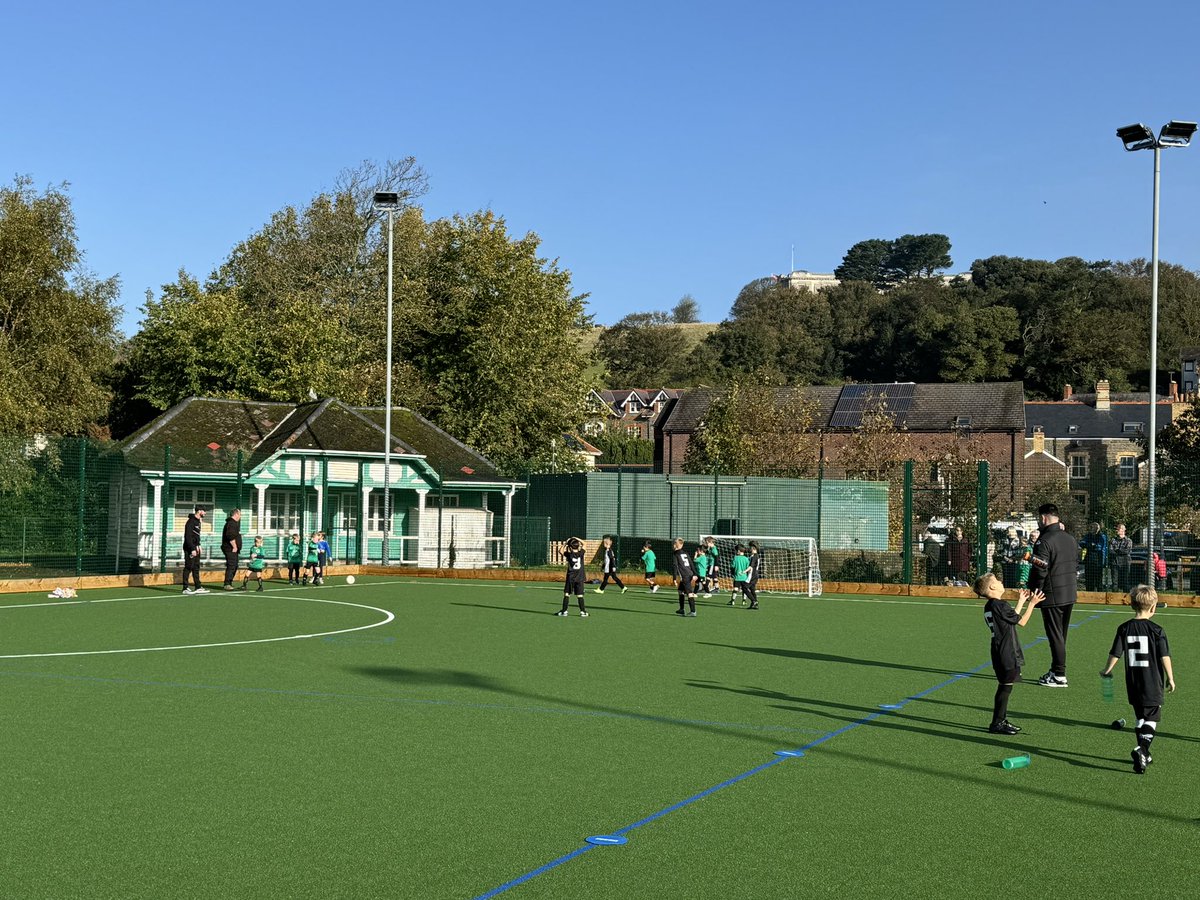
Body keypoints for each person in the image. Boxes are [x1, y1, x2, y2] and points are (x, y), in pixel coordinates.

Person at [1099, 584, 1176, 775]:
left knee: (1140, 717)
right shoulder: (1157, 630)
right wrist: (1171, 678)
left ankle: (1144, 755)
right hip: (1152, 681)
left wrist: (1107, 670)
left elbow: (1115, 653)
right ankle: (1142, 748)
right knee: (1152, 719)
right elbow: (1164, 656)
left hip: (1133, 682)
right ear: (1153, 607)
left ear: (1132, 605)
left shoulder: (1124, 628)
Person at [974, 573, 1044, 734]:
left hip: (998, 650)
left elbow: (1012, 619)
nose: (1000, 582)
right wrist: (1032, 604)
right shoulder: (1000, 605)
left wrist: (1021, 601)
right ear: (992, 587)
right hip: (1007, 651)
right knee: (1005, 687)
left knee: (1005, 686)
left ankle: (1000, 720)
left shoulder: (992, 606)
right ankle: (997, 723)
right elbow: (1022, 622)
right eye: (997, 581)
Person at [1027, 503, 1079, 687]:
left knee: (1055, 635)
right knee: (1061, 634)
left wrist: (1034, 589)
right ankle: (1055, 669)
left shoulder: (1045, 540)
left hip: (1052, 592)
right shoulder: (1070, 538)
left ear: (1043, 518)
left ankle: (1059, 674)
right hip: (1069, 591)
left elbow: (1040, 568)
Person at [558, 537, 588, 616]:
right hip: (580, 577)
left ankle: (564, 611)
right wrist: (576, 538)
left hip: (570, 578)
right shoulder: (581, 553)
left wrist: (565, 543)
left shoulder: (569, 555)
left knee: (567, 594)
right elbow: (585, 543)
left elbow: (560, 551)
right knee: (580, 595)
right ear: (578, 546)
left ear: (570, 547)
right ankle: (583, 612)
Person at [182, 505, 208, 595]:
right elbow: (188, 537)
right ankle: (185, 588)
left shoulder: (198, 521)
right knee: (188, 567)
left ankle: (198, 586)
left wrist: (198, 545)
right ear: (199, 511)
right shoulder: (190, 522)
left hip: (196, 548)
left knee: (196, 567)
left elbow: (196, 535)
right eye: (204, 511)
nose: (205, 513)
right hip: (190, 548)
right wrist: (192, 548)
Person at [672, 537, 697, 616]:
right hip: (689, 574)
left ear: (675, 545)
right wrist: (695, 573)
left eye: (673, 544)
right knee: (680, 591)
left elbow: (675, 566)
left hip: (685, 576)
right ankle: (681, 609)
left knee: (689, 593)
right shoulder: (685, 553)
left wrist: (674, 578)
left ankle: (693, 611)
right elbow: (691, 563)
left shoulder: (676, 554)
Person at [1080, 522, 1108, 592]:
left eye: (1094, 528)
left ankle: (1099, 594)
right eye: (1091, 527)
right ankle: (1089, 593)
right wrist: (1090, 545)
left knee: (1098, 579)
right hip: (1089, 558)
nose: (1092, 529)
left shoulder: (1102, 536)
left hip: (1098, 558)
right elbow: (1081, 543)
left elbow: (1100, 547)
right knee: (1089, 578)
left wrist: (1091, 545)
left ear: (1098, 528)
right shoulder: (1088, 536)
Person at [729, 544, 757, 609]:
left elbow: (732, 566)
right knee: (744, 589)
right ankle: (744, 600)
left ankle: (732, 600)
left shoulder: (735, 558)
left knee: (736, 588)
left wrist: (733, 572)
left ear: (738, 551)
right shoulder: (746, 559)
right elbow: (748, 568)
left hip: (737, 576)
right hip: (744, 577)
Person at [221, 508, 242, 591]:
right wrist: (234, 546)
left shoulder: (233, 523)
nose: (240, 516)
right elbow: (230, 535)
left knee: (234, 565)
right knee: (231, 565)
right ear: (236, 514)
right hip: (230, 549)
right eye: (239, 514)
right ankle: (227, 584)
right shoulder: (231, 523)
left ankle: (229, 582)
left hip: (233, 549)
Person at [1109, 523, 1133, 592]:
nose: (1117, 530)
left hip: (1125, 563)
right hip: (1115, 563)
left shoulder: (1128, 540)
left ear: (1123, 530)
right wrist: (1119, 551)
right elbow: (1110, 551)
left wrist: (1117, 551)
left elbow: (1127, 551)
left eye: (1118, 529)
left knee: (1126, 581)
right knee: (1114, 582)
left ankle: (1126, 598)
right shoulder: (1113, 540)